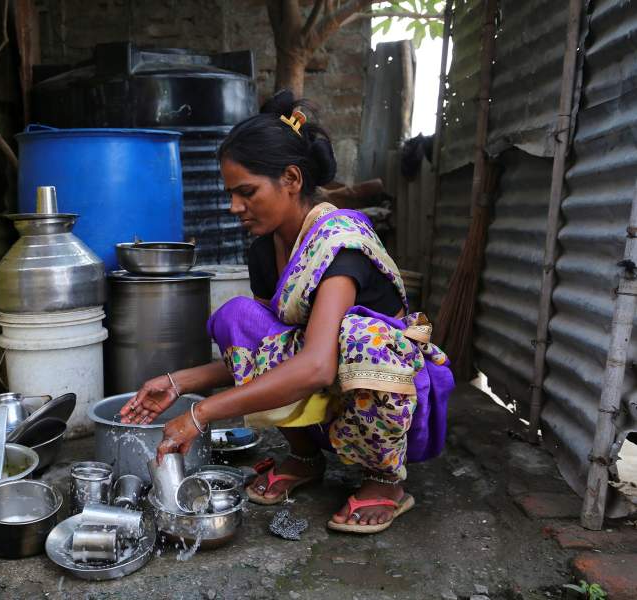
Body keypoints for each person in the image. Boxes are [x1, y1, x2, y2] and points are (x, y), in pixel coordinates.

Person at [120, 90, 454, 534]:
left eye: (246, 192)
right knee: (236, 317)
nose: (234, 207)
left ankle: (385, 479)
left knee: (360, 337)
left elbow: (316, 366)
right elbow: (259, 351)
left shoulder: (340, 244)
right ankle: (306, 457)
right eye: (231, 194)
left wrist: (201, 415)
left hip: (389, 390)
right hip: (333, 380)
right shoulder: (265, 250)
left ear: (292, 179)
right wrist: (178, 384)